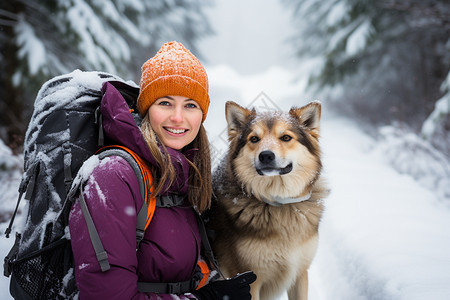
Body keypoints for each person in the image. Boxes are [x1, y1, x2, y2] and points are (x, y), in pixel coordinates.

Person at [69, 41, 256, 299]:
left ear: (202, 115)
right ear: (147, 109)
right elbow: (108, 295)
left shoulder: (186, 174)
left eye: (191, 105)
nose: (178, 117)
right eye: (166, 103)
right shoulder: (114, 177)